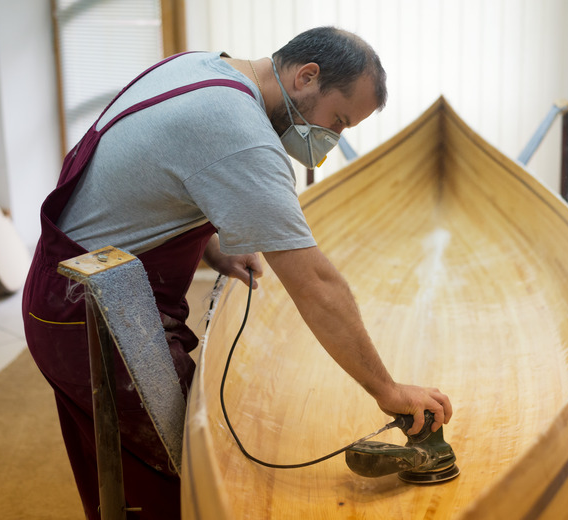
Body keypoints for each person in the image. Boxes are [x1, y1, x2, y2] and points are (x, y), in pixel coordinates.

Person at [22, 26, 452, 519]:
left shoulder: (199, 67)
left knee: (117, 455)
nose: (329, 141)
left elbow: (145, 180)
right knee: (174, 477)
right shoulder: (241, 135)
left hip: (63, 286)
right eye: (336, 121)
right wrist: (388, 390)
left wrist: (210, 247)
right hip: (89, 313)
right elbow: (315, 284)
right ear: (306, 76)